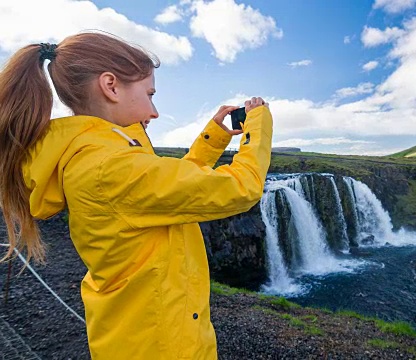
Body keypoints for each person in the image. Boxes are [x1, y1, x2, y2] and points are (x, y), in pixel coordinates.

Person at [0, 32, 272, 359]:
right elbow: (242, 187)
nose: (154, 112)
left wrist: (212, 139)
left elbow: (168, 192)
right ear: (111, 86)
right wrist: (259, 123)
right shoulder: (111, 167)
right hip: (161, 345)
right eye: (149, 93)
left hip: (140, 334)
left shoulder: (98, 158)